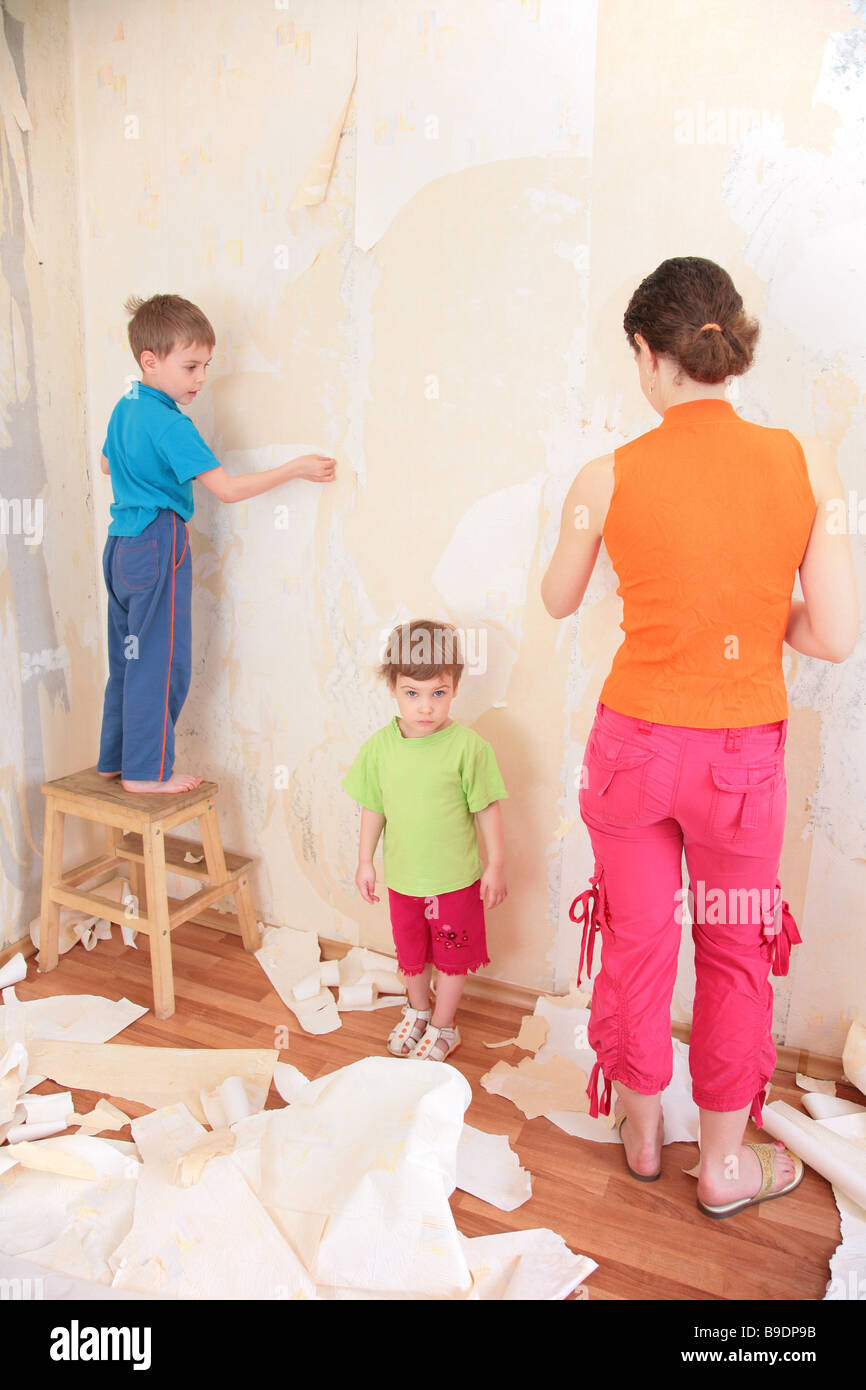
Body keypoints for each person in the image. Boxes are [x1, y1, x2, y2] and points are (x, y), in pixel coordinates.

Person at [541, 256, 858, 1218]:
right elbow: (837, 635)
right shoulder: (806, 462)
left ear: (648, 353)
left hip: (632, 750)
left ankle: (642, 1129)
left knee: (637, 945)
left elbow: (558, 598)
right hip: (737, 761)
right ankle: (722, 1167)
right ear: (729, 347)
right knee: (729, 953)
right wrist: (764, 616)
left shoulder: (608, 471)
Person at [97, 293, 336, 793]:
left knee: (129, 655)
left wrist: (140, 474)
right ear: (150, 360)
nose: (200, 378)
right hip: (158, 541)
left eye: (205, 365)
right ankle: (147, 772)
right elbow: (226, 489)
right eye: (190, 367)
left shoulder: (127, 406)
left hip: (119, 546)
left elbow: (105, 465)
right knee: (161, 662)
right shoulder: (171, 423)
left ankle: (116, 758)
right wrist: (294, 468)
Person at [343, 619, 507, 1061]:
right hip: (405, 881)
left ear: (454, 687)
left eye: (439, 692)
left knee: (453, 957)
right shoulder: (380, 748)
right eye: (412, 693)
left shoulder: (469, 748)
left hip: (455, 882)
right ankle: (417, 1011)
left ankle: (443, 1024)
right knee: (411, 953)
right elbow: (373, 807)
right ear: (393, 688)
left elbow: (487, 807)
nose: (426, 706)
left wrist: (495, 864)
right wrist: (365, 862)